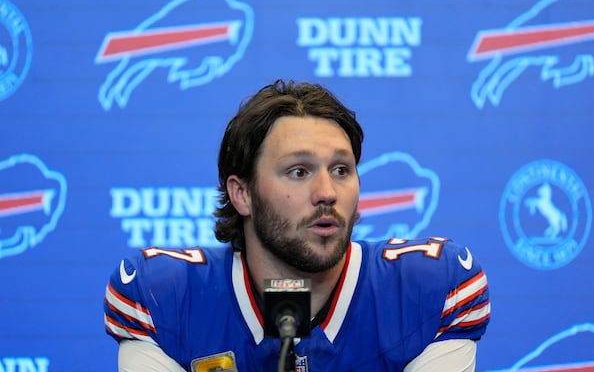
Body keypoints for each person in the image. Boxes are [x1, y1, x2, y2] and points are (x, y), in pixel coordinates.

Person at [104, 79, 491, 371]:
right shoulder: (163, 297)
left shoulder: (428, 289)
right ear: (242, 194)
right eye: (299, 171)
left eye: (341, 169)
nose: (327, 192)